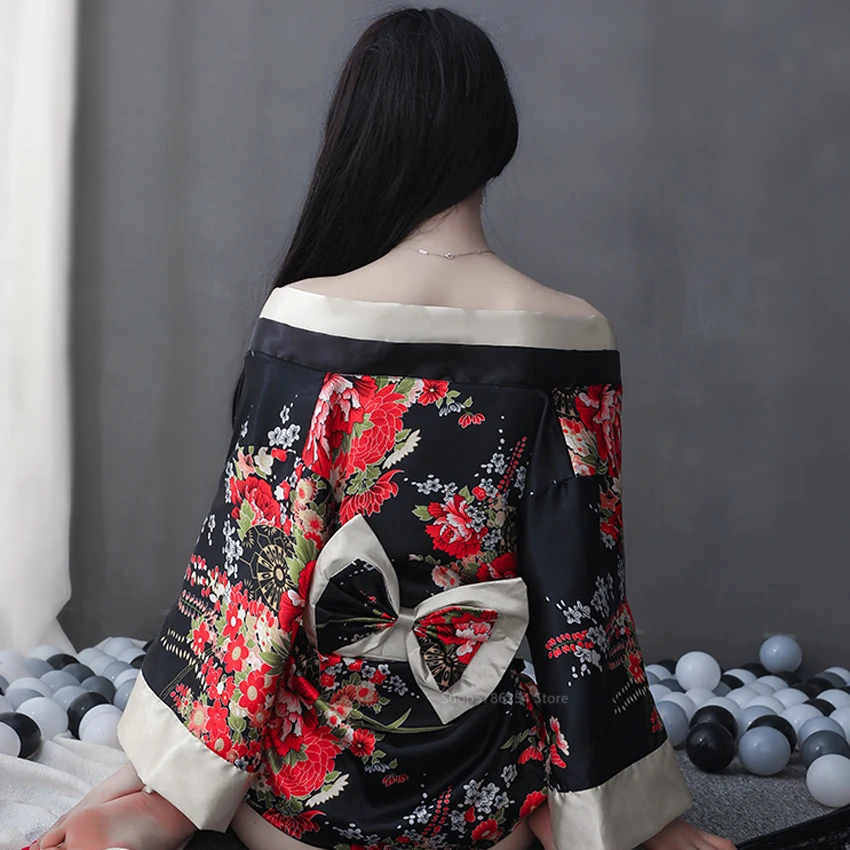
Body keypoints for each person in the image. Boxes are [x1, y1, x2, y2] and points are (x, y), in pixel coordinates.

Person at [32, 7, 739, 850]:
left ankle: (163, 811)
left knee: (249, 621)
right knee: (535, 726)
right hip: (477, 799)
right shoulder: (574, 335)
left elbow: (248, 586)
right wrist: (632, 817)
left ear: (362, 134)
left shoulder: (304, 319)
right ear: (498, 137)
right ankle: (562, 813)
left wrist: (160, 783)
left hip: (303, 798)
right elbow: (580, 601)